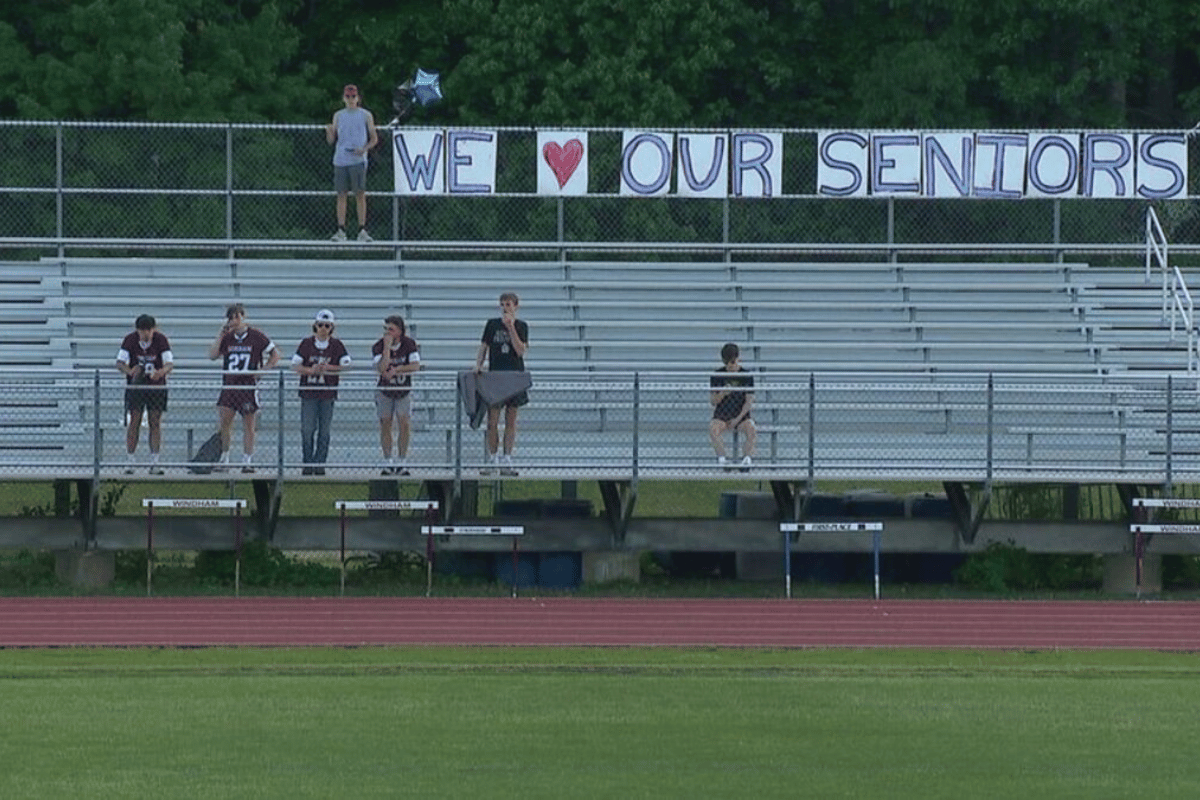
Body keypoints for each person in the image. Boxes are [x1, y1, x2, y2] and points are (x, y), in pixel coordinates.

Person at [208, 303, 279, 473]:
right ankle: (225, 458)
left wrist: (263, 370)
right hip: (229, 385)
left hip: (247, 386)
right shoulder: (227, 337)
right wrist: (221, 334)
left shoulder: (255, 336)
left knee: (249, 425)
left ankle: (247, 460)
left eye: (237, 317)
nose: (234, 320)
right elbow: (212, 355)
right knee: (225, 423)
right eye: (231, 318)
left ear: (243, 317)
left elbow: (275, 354)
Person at [291, 309, 351, 475]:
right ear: (315, 326)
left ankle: (319, 464)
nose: (323, 328)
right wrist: (310, 371)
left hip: (327, 394)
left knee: (324, 431)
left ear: (332, 327)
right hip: (309, 393)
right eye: (320, 325)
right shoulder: (306, 344)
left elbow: (346, 365)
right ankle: (307, 463)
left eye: (327, 325)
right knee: (307, 429)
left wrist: (329, 368)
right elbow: (295, 365)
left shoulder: (337, 345)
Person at [475, 292, 529, 474]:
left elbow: (521, 351)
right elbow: (484, 347)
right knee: (492, 421)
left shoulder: (521, 326)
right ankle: (492, 458)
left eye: (508, 304)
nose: (505, 307)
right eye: (503, 304)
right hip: (496, 376)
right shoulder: (492, 325)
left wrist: (511, 328)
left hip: (514, 376)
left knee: (511, 421)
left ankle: (507, 458)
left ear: (516, 306)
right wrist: (479, 365)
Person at [115, 314, 174, 475]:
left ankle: (155, 461)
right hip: (136, 387)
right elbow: (120, 363)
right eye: (142, 331)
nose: (146, 334)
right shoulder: (130, 340)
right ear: (137, 331)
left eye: (149, 330)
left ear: (154, 329)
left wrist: (160, 372)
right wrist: (130, 371)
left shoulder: (160, 340)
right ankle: (130, 460)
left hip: (156, 387)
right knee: (135, 421)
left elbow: (169, 363)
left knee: (155, 422)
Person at [325, 83, 379, 242]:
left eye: (353, 97)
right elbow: (331, 141)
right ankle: (341, 229)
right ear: (343, 98)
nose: (350, 100)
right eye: (347, 97)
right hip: (341, 160)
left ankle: (362, 230)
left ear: (358, 98)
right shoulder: (338, 115)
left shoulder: (366, 115)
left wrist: (364, 149)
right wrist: (329, 132)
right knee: (341, 195)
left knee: (360, 194)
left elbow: (374, 139)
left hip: (358, 160)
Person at [372, 315, 421, 475]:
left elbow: (415, 365)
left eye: (391, 329)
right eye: (386, 329)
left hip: (403, 390)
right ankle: (388, 461)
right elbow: (381, 368)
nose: (388, 332)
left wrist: (398, 370)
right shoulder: (378, 346)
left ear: (399, 331)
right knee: (386, 423)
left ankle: (402, 460)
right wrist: (387, 348)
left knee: (404, 423)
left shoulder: (409, 344)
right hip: (385, 390)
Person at [710, 342, 756, 469]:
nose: (730, 366)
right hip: (722, 413)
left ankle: (746, 460)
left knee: (751, 428)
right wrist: (722, 394)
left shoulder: (746, 375)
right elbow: (713, 401)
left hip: (740, 413)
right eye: (727, 363)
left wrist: (737, 419)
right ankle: (722, 459)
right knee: (713, 428)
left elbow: (749, 401)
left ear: (738, 359)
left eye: (732, 362)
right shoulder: (717, 375)